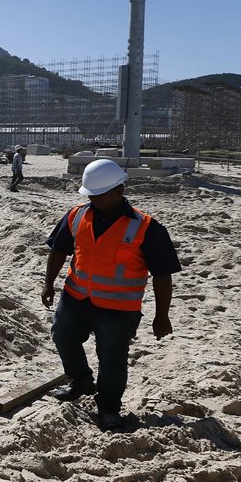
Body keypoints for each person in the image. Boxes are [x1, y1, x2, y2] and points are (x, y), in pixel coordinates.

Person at [42, 158, 180, 432]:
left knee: (112, 360)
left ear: (119, 190)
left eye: (99, 195)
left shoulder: (146, 227)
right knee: (62, 336)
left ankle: (108, 408)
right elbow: (58, 249)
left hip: (118, 309)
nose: (93, 200)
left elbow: (163, 275)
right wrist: (48, 284)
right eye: (90, 195)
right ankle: (81, 381)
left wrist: (162, 316)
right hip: (75, 297)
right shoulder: (77, 215)